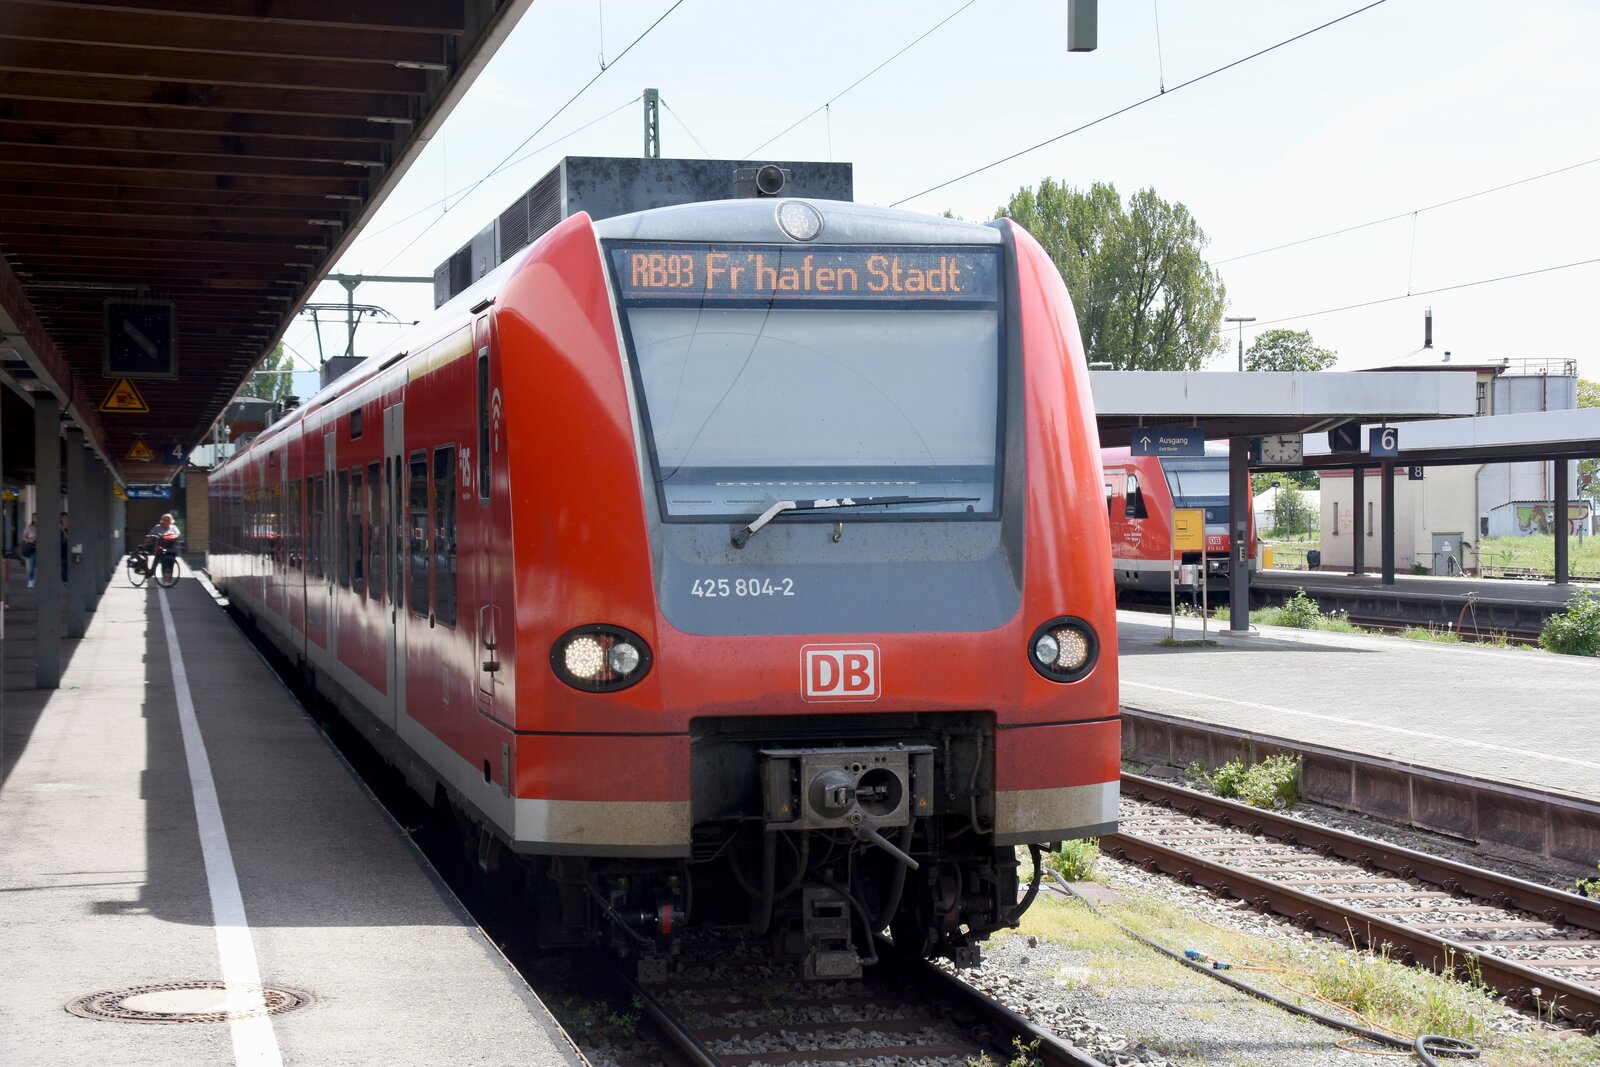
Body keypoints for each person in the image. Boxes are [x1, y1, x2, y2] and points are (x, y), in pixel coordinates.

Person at [148, 513, 181, 580]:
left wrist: (170, 537)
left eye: (168, 520)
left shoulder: (174, 527)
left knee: (171, 565)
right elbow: (151, 534)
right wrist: (149, 541)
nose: (166, 521)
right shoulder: (158, 527)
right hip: (161, 549)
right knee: (163, 565)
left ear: (171, 520)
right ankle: (163, 579)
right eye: (165, 519)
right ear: (162, 520)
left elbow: (178, 534)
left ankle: (169, 580)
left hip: (172, 549)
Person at [21, 512, 37, 588]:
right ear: (33, 518)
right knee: (31, 566)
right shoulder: (29, 527)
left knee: (39, 566)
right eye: (35, 517)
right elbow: (24, 537)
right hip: (32, 548)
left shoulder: (44, 527)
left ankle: (35, 579)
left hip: (42, 548)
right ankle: (30, 580)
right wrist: (31, 540)